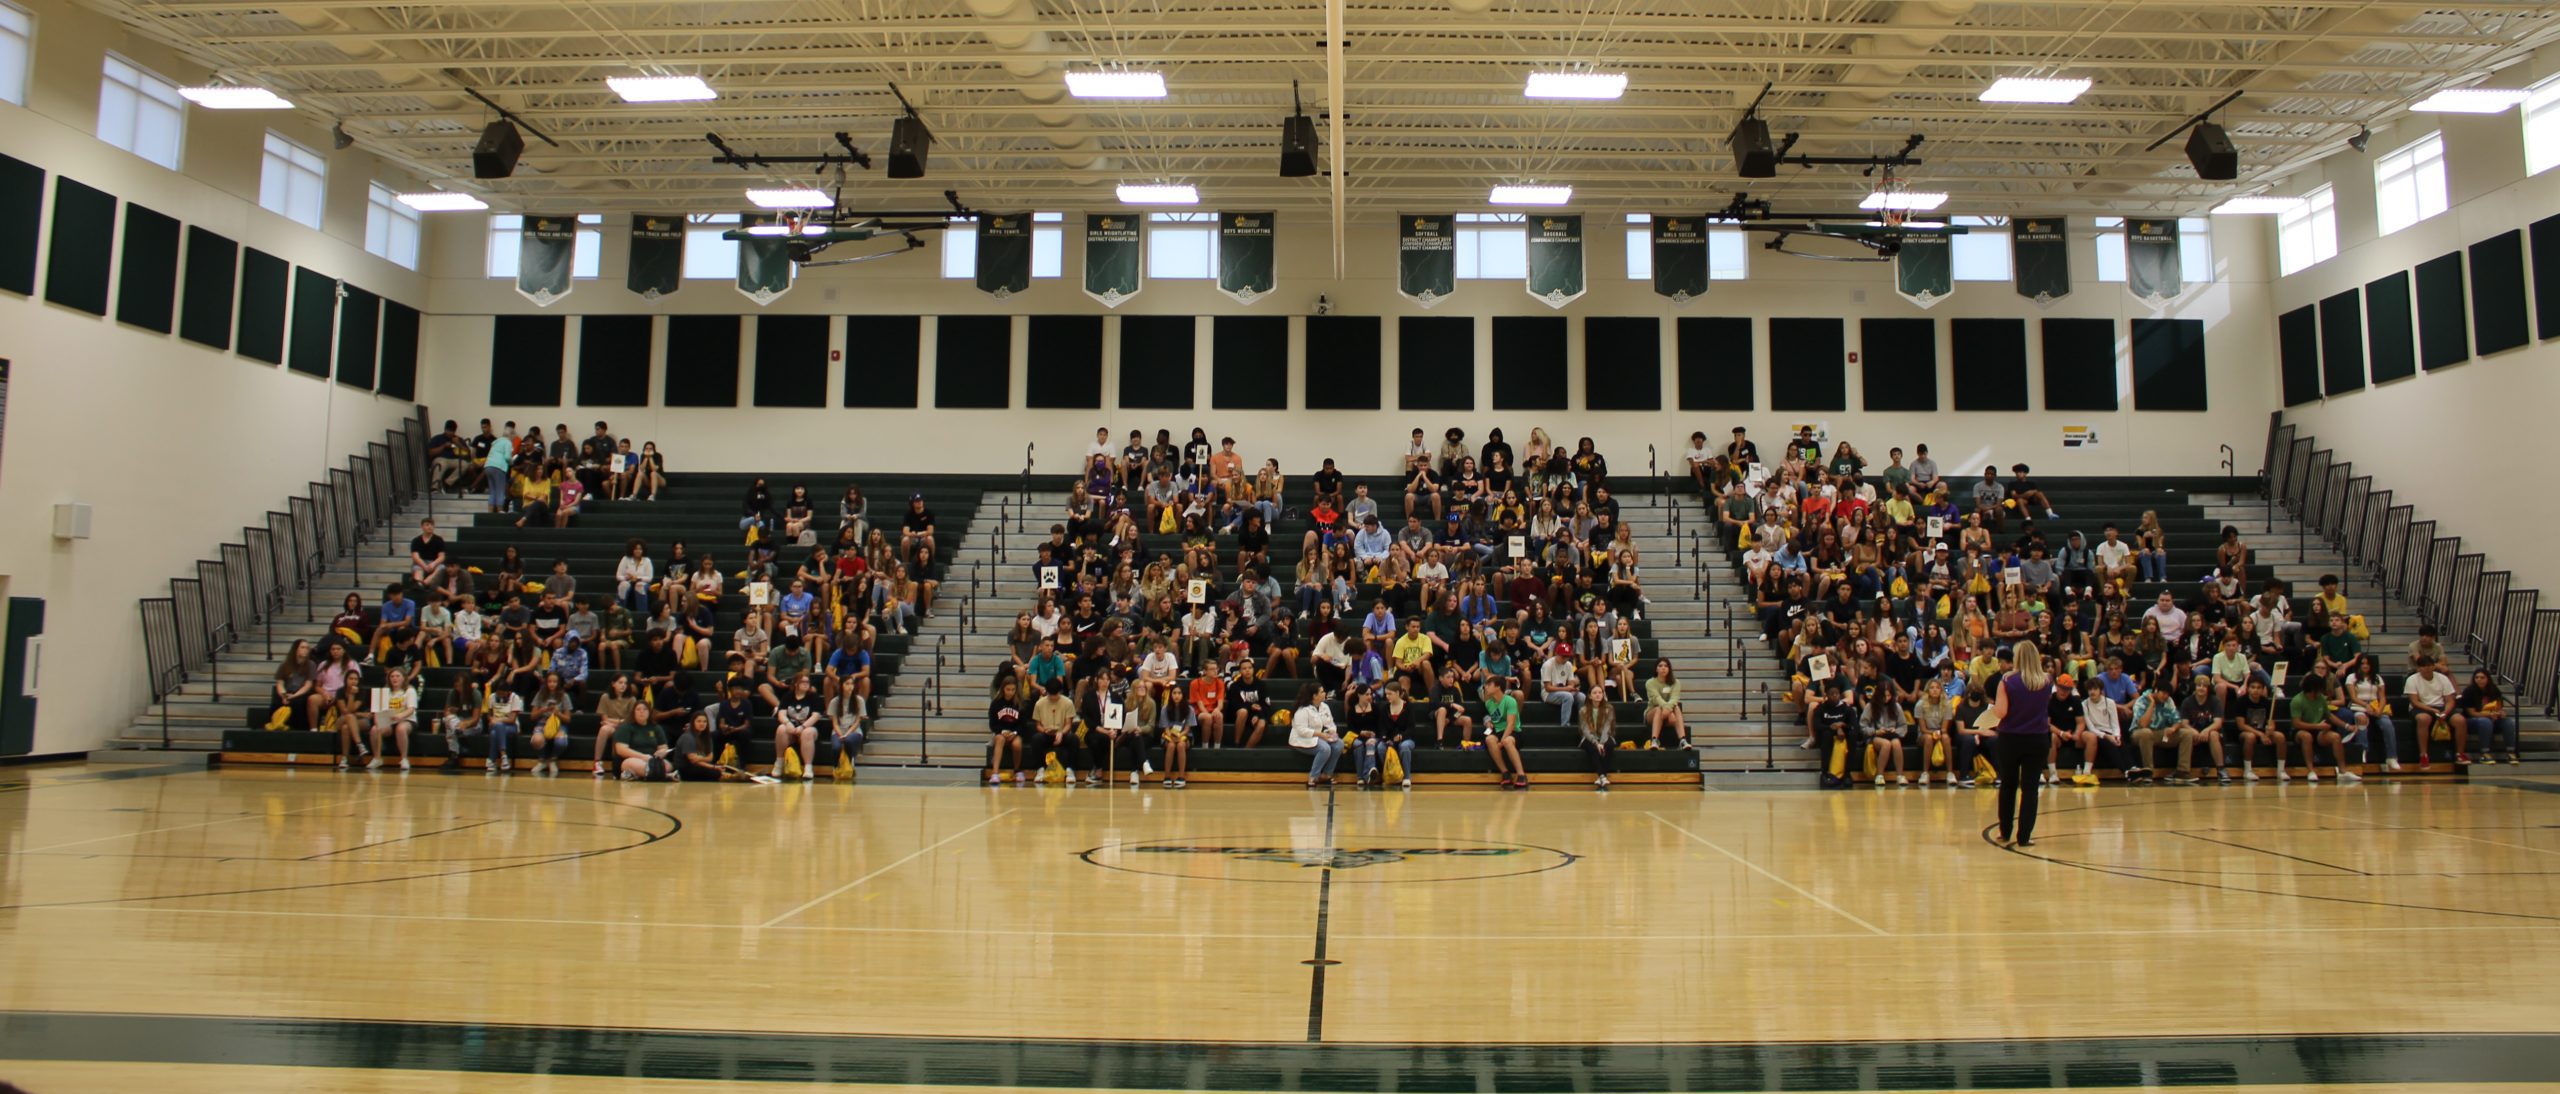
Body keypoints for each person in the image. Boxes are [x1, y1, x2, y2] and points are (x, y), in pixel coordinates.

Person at [1989, 640, 2054, 847]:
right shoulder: (2046, 680)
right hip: (2037, 738)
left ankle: (2005, 831)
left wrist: (1989, 711)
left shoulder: (2007, 681)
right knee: (2030, 788)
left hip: (2010, 738)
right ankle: (2024, 836)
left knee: (2008, 785)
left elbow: (2001, 712)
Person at [2290, 676, 2362, 783]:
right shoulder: (2297, 701)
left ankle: (2343, 771)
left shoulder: (2321, 699)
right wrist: (2318, 726)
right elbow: (2297, 723)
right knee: (2306, 736)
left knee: (2336, 737)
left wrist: (2347, 726)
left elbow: (2329, 716)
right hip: (2301, 730)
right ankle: (2311, 771)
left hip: (2319, 729)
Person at [2403, 662, 2460, 768]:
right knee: (2423, 719)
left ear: (2433, 666)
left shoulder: (2442, 678)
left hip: (2441, 706)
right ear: (2419, 668)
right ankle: (2423, 755)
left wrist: (2445, 712)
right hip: (2421, 707)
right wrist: (2432, 710)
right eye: (2423, 665)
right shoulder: (2412, 679)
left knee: (2460, 720)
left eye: (2429, 665)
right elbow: (2415, 702)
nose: (2426, 668)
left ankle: (2460, 754)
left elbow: (2450, 700)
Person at [363, 667, 420, 772]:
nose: (395, 678)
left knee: (401, 728)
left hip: (406, 720)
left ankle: (404, 759)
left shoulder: (409, 690)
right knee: (375, 730)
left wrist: (400, 716)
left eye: (398, 676)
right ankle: (377, 758)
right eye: (392, 676)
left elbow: (411, 709)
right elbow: (377, 711)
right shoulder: (384, 692)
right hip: (389, 721)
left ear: (403, 678)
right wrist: (378, 722)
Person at [2459, 670, 2519, 765]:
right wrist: (2489, 715)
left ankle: (2511, 752)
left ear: (2488, 679)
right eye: (2476, 677)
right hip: (2472, 721)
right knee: (2485, 721)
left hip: (2491, 718)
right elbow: (2472, 713)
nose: (2479, 680)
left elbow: (2499, 707)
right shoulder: (2469, 691)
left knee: (2508, 722)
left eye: (2482, 678)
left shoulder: (2494, 690)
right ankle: (2484, 753)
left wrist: (2500, 713)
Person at [1288, 684, 1343, 787]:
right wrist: (1320, 734)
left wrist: (1332, 731)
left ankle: (1327, 775)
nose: (1325, 693)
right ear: (1314, 696)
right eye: (1322, 692)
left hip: (1318, 736)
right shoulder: (1303, 710)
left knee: (1339, 744)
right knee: (1325, 749)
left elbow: (1330, 723)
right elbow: (1301, 730)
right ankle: (1313, 777)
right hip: (1301, 738)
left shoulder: (1325, 706)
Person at [774, 675, 824, 781]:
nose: (806, 684)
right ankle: (779, 762)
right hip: (792, 728)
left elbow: (816, 716)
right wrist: (788, 723)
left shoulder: (813, 697)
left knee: (808, 733)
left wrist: (802, 726)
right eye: (803, 682)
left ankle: (808, 767)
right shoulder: (788, 696)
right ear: (796, 684)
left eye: (808, 682)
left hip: (808, 728)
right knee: (781, 729)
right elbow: (781, 714)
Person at [1481, 676, 1526, 789]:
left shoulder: (1510, 701)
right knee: (1489, 739)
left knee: (1507, 741)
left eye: (1489, 685)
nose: (1485, 687)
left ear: (1498, 687)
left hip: (1513, 731)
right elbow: (1493, 718)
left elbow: (1511, 724)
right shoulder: (1489, 703)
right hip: (1498, 730)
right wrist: (1489, 723)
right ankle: (1505, 773)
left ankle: (1521, 775)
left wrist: (1501, 741)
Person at [1643, 659, 1687, 750]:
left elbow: (1674, 699)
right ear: (1656, 669)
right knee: (1659, 708)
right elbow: (1656, 699)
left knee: (1677, 708)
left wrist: (1668, 711)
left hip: (1669, 715)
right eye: (1660, 666)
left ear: (1669, 669)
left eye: (1666, 666)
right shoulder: (1650, 683)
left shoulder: (1676, 682)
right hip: (1653, 713)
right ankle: (1654, 740)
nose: (1663, 668)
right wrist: (1668, 711)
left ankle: (1683, 740)